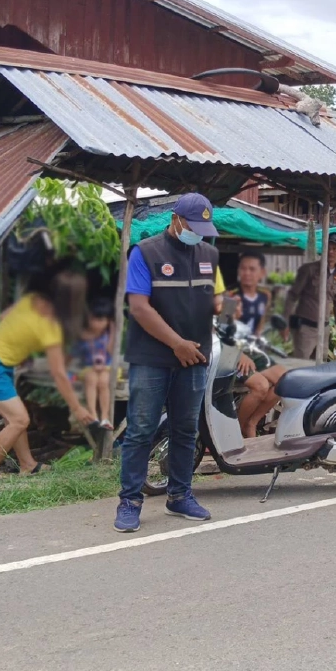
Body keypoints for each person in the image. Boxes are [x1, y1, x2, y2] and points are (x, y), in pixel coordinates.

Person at [115, 193, 222, 533]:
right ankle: (130, 501)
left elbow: (216, 298)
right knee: (142, 429)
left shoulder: (210, 254)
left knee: (186, 429)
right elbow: (140, 308)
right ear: (176, 219)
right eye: (194, 226)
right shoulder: (145, 252)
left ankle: (180, 496)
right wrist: (176, 344)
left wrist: (227, 307)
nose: (199, 233)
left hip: (195, 355)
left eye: (204, 228)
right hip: (153, 357)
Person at [0, 270, 99, 482]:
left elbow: (4, 317)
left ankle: (27, 465)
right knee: (19, 420)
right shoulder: (50, 327)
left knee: (15, 418)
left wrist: (19, 347)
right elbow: (59, 373)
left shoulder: (31, 301)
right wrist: (77, 407)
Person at [283, 232, 336, 360]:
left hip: (323, 330)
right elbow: (292, 295)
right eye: (328, 248)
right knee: (300, 366)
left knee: (319, 368)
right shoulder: (309, 270)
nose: (331, 252)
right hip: (305, 329)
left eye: (335, 249)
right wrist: (284, 323)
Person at [75, 297, 116, 432]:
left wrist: (112, 333)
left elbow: (110, 351)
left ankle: (105, 416)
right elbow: (75, 354)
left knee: (104, 381)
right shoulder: (82, 334)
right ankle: (93, 414)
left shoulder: (107, 335)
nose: (97, 324)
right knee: (92, 378)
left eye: (101, 320)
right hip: (88, 368)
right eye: (93, 319)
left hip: (107, 367)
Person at [231, 251, 271, 337]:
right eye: (243, 268)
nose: (247, 273)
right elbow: (223, 325)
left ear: (262, 272)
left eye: (252, 269)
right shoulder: (231, 295)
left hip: (252, 346)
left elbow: (260, 326)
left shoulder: (265, 295)